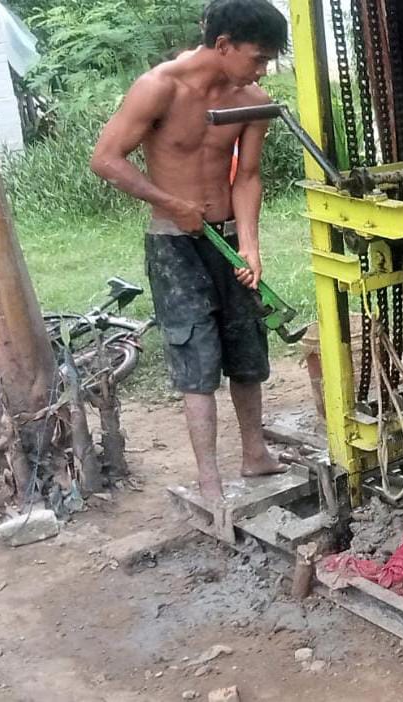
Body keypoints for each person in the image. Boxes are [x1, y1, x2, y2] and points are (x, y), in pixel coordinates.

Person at [90, 0, 289, 502]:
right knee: (195, 357)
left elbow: (247, 176)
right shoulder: (159, 86)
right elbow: (107, 159)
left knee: (247, 349)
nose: (262, 70)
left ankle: (255, 454)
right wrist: (171, 204)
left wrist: (250, 247)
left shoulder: (252, 99)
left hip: (228, 240)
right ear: (223, 45)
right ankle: (209, 479)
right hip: (174, 244)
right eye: (258, 58)